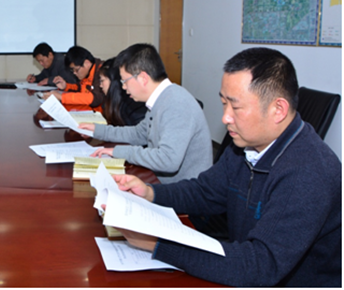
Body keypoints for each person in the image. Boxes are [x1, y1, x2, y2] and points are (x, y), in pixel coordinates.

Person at [111, 47, 341, 287]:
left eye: (235, 107)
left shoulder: (308, 173)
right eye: (223, 103)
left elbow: (260, 265)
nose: (225, 118)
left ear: (278, 110)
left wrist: (159, 245)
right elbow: (205, 192)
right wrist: (150, 193)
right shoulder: (245, 146)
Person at [79, 43, 211, 183]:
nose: (123, 87)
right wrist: (97, 130)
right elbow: (138, 134)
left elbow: (168, 160)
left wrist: (119, 152)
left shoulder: (176, 103)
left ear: (143, 78)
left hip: (181, 190)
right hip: (162, 181)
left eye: (125, 81)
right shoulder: (161, 99)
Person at [43, 45, 105, 112]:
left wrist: (62, 97)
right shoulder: (87, 72)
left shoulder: (102, 72)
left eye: (76, 70)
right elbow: (79, 88)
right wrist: (66, 86)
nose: (74, 73)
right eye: (72, 70)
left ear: (87, 63)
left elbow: (95, 99)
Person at [99, 58, 147, 126]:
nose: (100, 85)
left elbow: (138, 132)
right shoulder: (110, 102)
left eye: (102, 80)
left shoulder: (135, 104)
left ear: (113, 81)